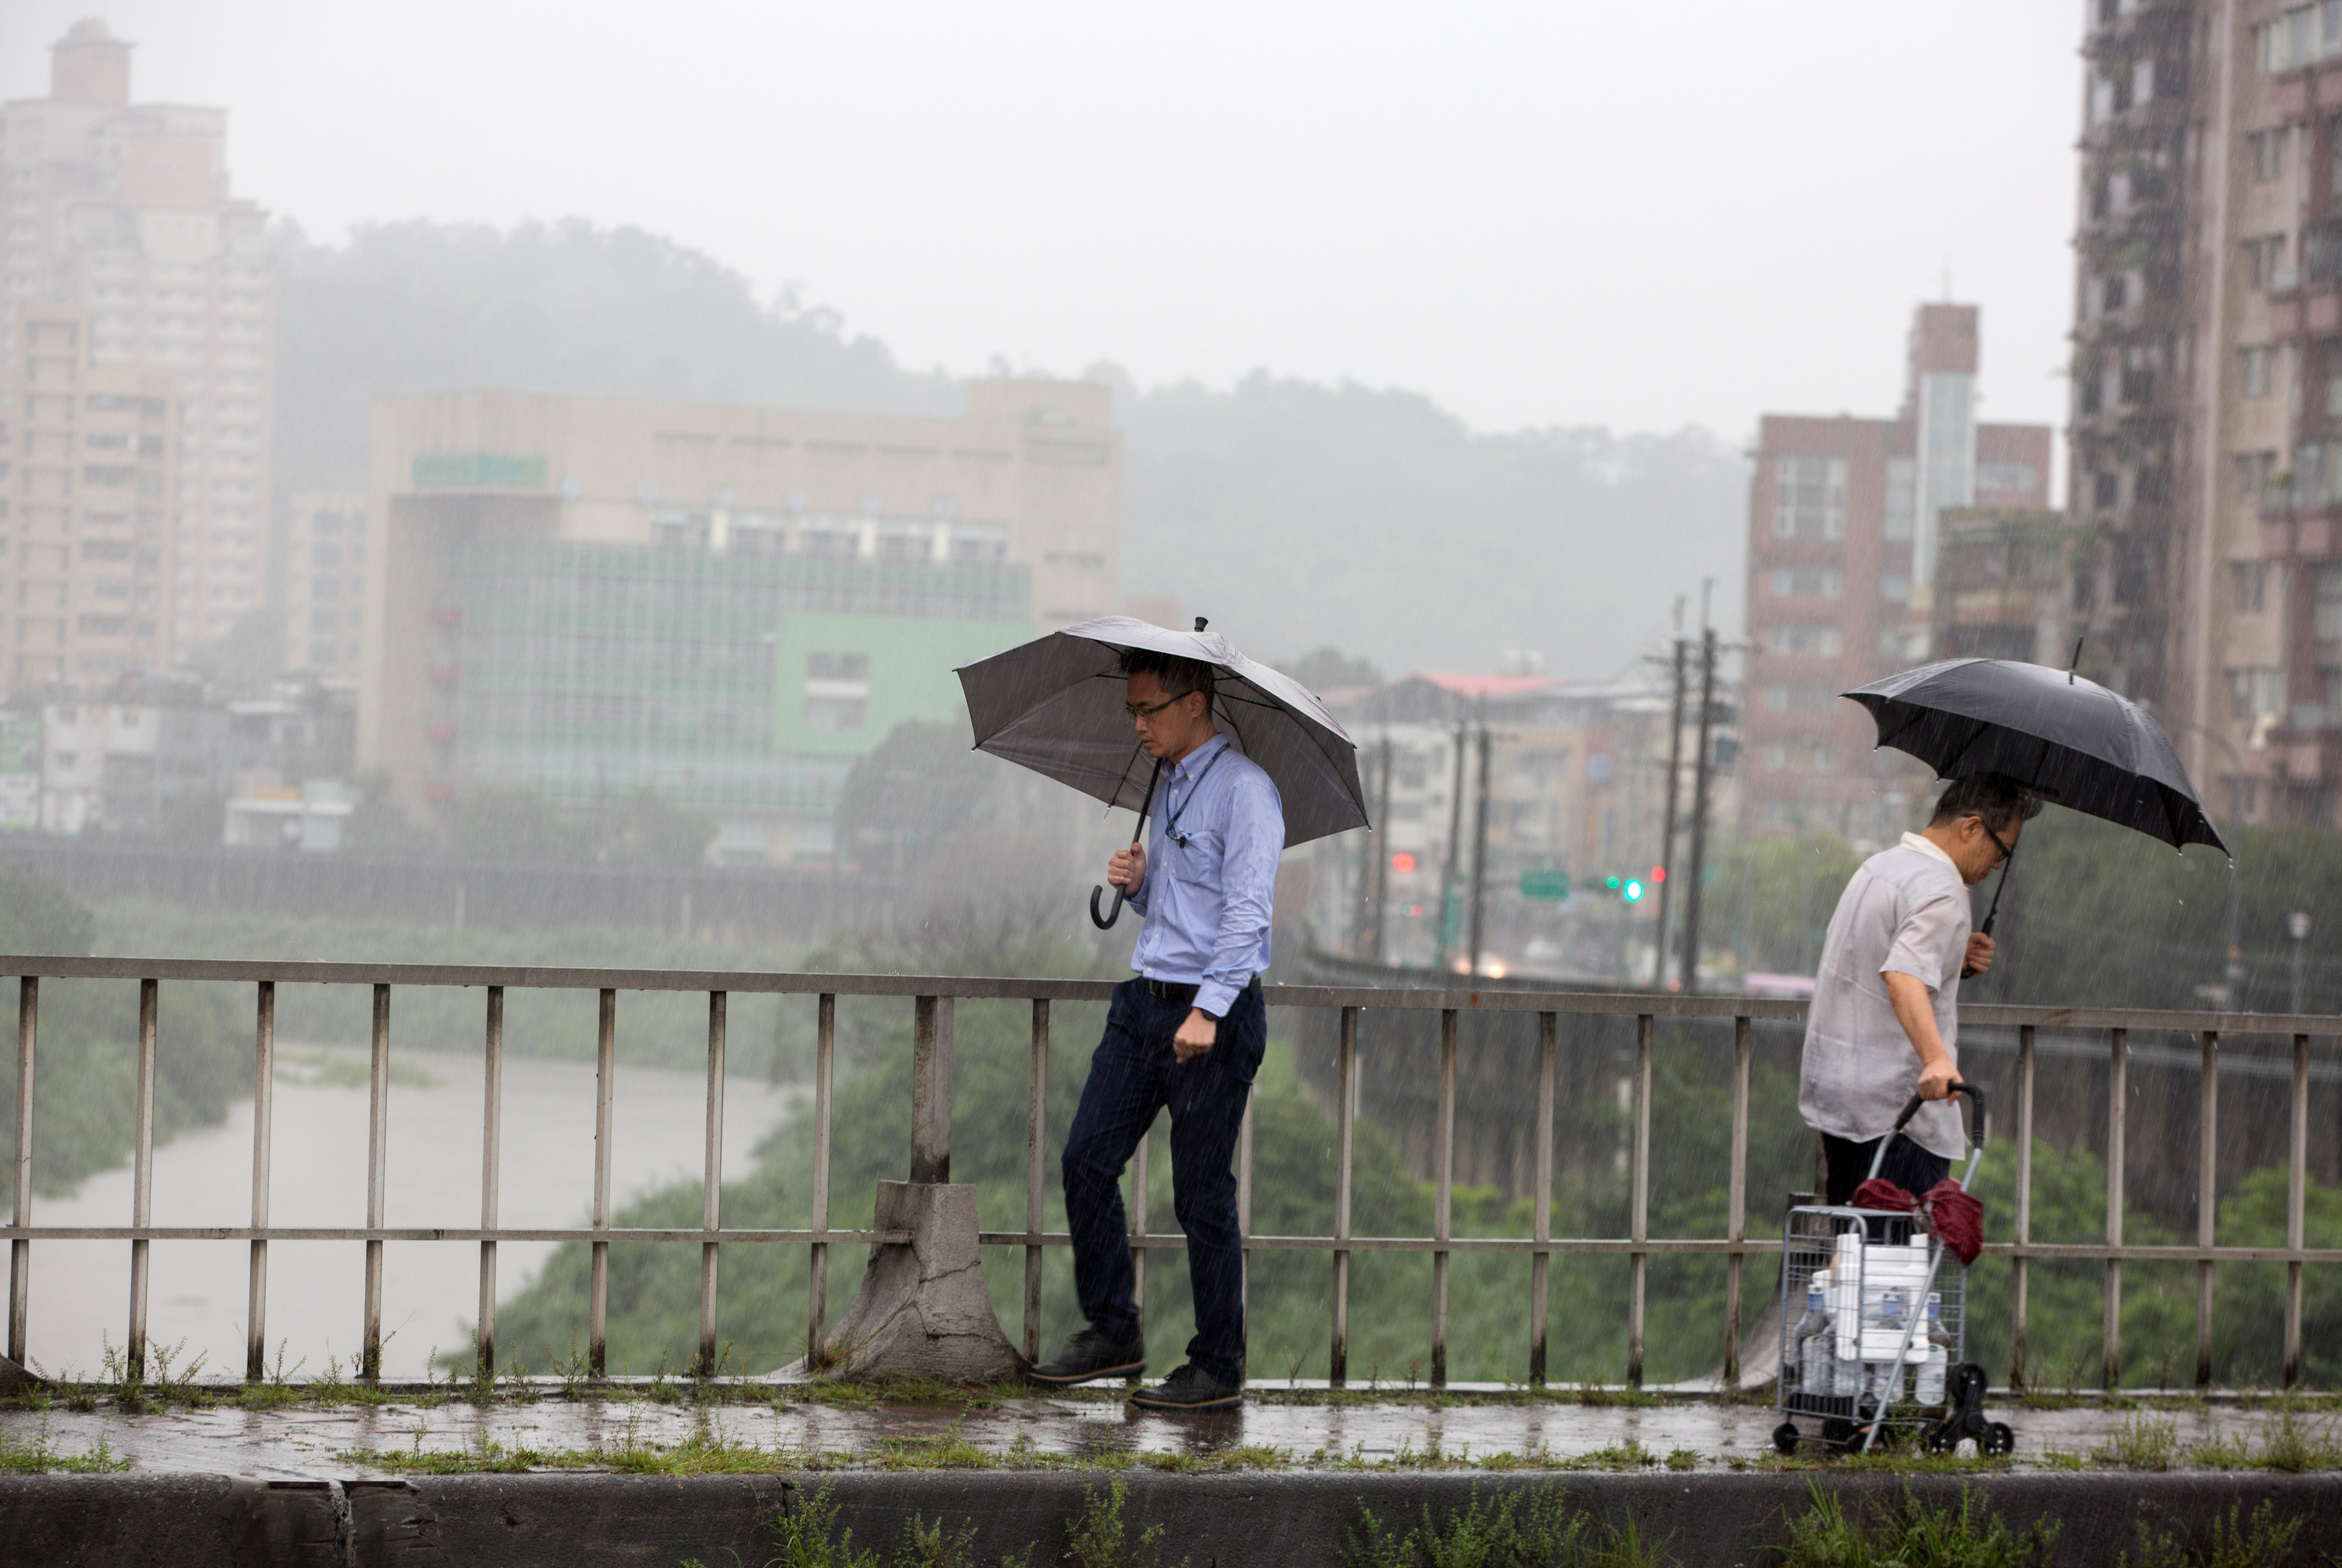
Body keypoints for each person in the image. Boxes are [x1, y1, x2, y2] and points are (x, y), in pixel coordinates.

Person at [1028, 647, 1283, 1410]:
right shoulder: (1169, 787)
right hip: (1144, 1000)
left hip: (1212, 1012)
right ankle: (1114, 1330)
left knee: (1201, 1194)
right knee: (1085, 1159)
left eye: (1150, 710)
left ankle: (1217, 1367)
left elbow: (1246, 911)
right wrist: (1140, 889)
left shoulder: (1245, 793)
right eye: (1132, 710)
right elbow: (1183, 909)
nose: (1138, 725)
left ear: (1195, 702)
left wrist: (1208, 1010)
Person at [1799, 772, 2041, 1206]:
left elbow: (1878, 954)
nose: (1998, 865)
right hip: (1898, 1113)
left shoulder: (1880, 867)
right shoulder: (1944, 892)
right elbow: (1903, 975)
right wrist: (1935, 1061)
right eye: (2002, 850)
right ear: (1970, 828)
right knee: (1895, 1261)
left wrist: (1953, 955)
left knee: (1852, 1247)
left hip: (1840, 1094)